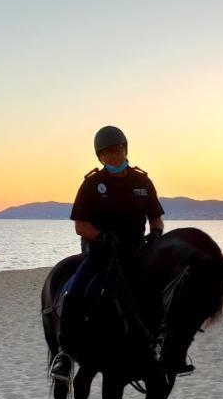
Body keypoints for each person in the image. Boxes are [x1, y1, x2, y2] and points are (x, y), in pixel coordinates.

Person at [49, 126, 166, 381]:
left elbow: (156, 218)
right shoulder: (93, 184)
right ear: (99, 157)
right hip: (102, 254)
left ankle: (166, 346)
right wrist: (102, 237)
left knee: (165, 289)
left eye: (117, 151)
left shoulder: (142, 182)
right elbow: (81, 226)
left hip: (137, 251)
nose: (113, 157)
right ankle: (65, 354)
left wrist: (156, 234)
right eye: (106, 154)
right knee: (75, 289)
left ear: (126, 149)